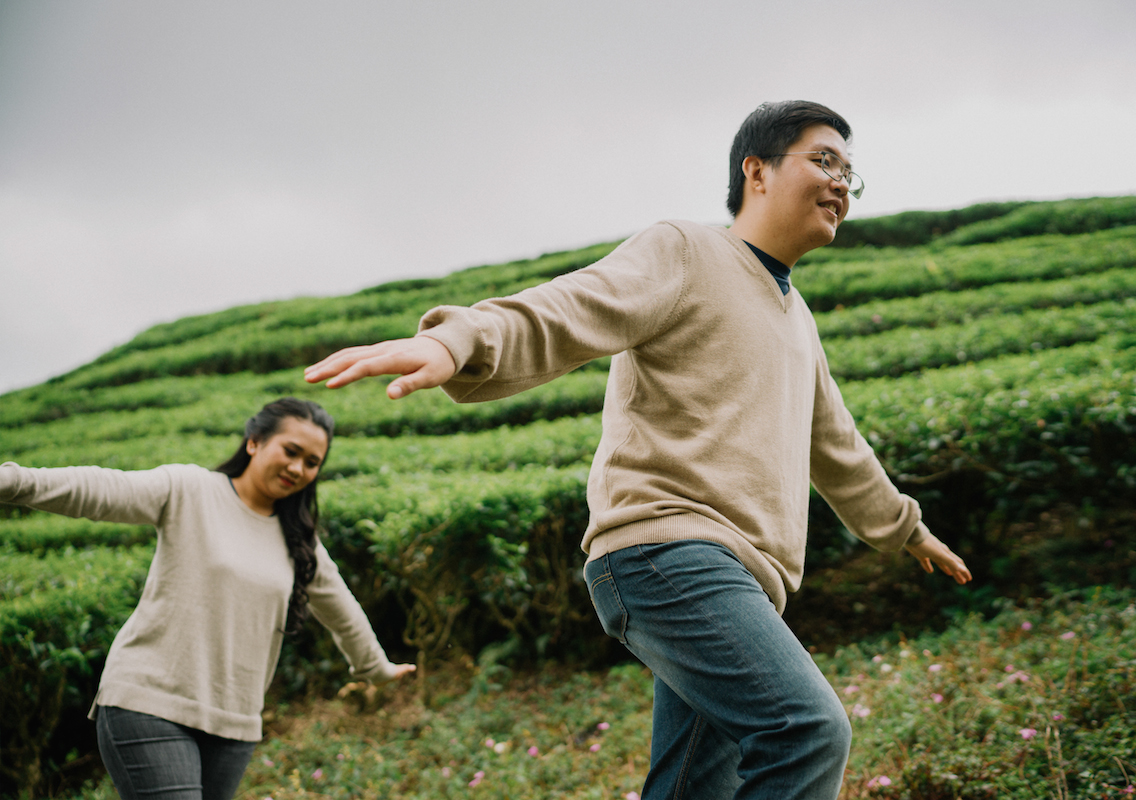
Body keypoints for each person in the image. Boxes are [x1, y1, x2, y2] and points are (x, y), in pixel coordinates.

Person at [304, 101, 971, 799]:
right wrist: (455, 340)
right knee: (806, 730)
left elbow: (835, 442)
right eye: (824, 160)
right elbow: (572, 306)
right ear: (758, 171)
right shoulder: (687, 250)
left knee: (692, 788)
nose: (841, 184)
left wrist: (905, 528)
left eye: (850, 174)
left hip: (736, 579)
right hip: (669, 554)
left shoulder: (796, 317)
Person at [0, 397, 413, 800]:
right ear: (254, 442)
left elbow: (342, 611)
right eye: (291, 451)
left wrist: (376, 668)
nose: (297, 468)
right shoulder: (190, 489)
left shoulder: (299, 541)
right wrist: (13, 481)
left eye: (311, 462)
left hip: (234, 723)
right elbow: (101, 489)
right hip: (150, 703)